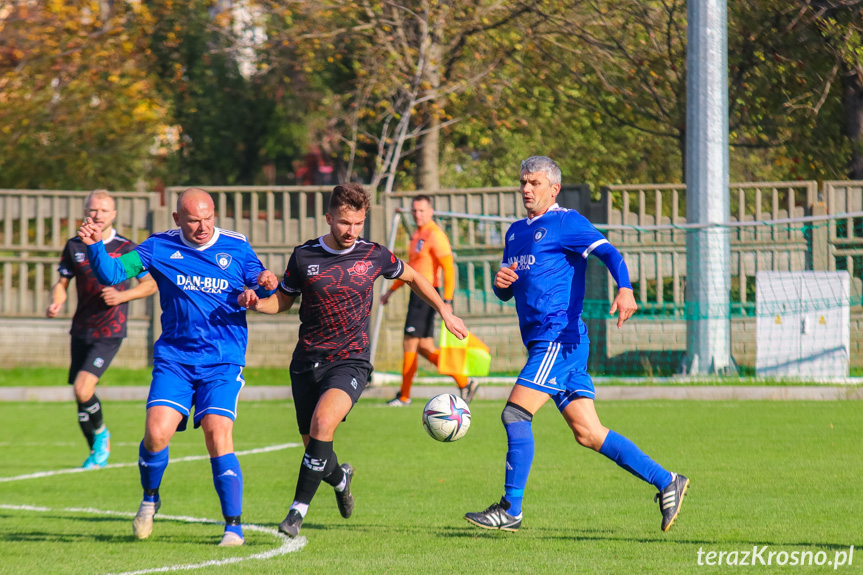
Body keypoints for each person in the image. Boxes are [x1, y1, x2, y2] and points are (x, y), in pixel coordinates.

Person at [464, 157, 689, 533]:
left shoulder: (567, 222)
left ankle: (510, 509)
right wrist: (501, 284)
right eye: (523, 182)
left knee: (515, 414)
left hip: (560, 338)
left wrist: (626, 288)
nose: (526, 189)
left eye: (535, 183)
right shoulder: (515, 232)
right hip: (544, 342)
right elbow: (508, 289)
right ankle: (667, 481)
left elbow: (610, 253)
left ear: (553, 189)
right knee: (589, 433)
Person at [239, 183, 467, 539]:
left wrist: (445, 309)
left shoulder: (374, 255)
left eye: (358, 223)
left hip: (351, 360)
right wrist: (257, 304)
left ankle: (295, 513)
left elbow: (414, 277)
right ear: (329, 218)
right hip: (306, 363)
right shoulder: (303, 256)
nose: (351, 231)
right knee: (318, 446)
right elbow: (283, 301)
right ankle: (341, 478)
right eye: (345, 223)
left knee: (323, 423)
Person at [77, 188, 277, 547]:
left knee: (217, 432)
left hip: (222, 359)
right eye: (193, 220)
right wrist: (95, 247)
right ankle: (150, 498)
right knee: (156, 434)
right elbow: (113, 273)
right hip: (175, 360)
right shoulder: (158, 247)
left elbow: (260, 282)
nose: (202, 226)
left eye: (208, 217)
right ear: (177, 220)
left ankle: (233, 526)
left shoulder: (235, 246)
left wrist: (260, 288)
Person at [46, 190, 157, 469]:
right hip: (81, 328)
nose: (97, 215)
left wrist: (121, 296)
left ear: (114, 215)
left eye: (104, 211)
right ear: (86, 211)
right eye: (93, 210)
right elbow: (62, 283)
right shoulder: (74, 245)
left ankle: (102, 438)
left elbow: (150, 284)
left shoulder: (127, 248)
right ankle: (96, 450)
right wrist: (55, 302)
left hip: (111, 329)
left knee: (84, 388)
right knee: (79, 393)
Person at [379, 195, 479, 405]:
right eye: (414, 210)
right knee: (423, 347)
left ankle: (404, 396)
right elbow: (410, 268)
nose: (417, 214)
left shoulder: (435, 235)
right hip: (415, 294)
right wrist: (391, 291)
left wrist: (448, 300)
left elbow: (448, 268)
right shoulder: (417, 234)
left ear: (431, 211)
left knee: (409, 342)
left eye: (422, 210)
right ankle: (465, 382)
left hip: (426, 295)